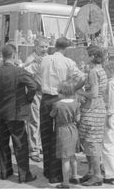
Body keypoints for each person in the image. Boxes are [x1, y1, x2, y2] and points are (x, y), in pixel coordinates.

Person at [0, 44, 38, 183]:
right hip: (15, 112)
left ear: (2, 56)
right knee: (20, 143)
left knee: (3, 142)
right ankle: (24, 174)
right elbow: (33, 86)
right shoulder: (19, 71)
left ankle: (5, 171)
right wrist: (28, 99)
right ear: (14, 55)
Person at [39, 37, 85, 183]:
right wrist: (72, 90)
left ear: (55, 46)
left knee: (46, 134)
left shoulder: (44, 59)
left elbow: (33, 74)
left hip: (46, 98)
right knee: (59, 137)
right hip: (61, 98)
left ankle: (48, 170)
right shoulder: (68, 62)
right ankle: (56, 173)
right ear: (66, 48)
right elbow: (83, 77)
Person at [77, 45, 108, 186]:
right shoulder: (101, 70)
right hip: (98, 109)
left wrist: (80, 92)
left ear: (92, 57)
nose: (83, 56)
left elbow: (94, 94)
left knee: (92, 143)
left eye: (86, 54)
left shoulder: (93, 72)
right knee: (89, 142)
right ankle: (91, 172)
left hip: (92, 110)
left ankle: (97, 175)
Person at [50, 80, 81, 189]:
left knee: (65, 158)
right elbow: (78, 118)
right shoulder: (76, 103)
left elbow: (52, 115)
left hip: (63, 131)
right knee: (72, 155)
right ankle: (75, 176)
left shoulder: (57, 104)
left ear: (62, 92)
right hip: (73, 129)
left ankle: (66, 182)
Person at [24, 38, 49, 163]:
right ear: (36, 46)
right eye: (42, 47)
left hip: (47, 93)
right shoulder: (31, 59)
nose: (44, 49)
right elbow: (24, 72)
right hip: (36, 93)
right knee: (34, 121)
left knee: (44, 121)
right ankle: (33, 149)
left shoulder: (48, 58)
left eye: (46, 46)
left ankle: (39, 145)